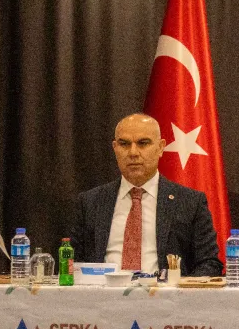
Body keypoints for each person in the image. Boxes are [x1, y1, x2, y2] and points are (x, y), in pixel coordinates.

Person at [71, 114, 223, 276]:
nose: (133, 152)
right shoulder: (90, 202)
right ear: (115, 148)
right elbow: (71, 262)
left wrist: (179, 288)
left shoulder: (190, 202)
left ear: (160, 147)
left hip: (165, 291)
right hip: (102, 291)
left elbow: (209, 263)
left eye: (143, 143)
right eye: (124, 144)